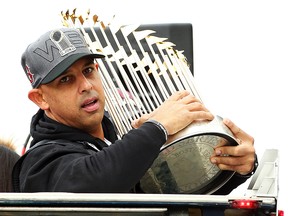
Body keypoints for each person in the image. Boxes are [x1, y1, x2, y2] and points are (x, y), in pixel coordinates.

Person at [12, 27, 257, 194]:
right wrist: (157, 128)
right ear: (40, 98)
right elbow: (92, 182)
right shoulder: (39, 161)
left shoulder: (112, 145)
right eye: (66, 80)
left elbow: (173, 194)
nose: (86, 86)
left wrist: (235, 166)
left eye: (88, 71)